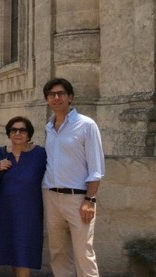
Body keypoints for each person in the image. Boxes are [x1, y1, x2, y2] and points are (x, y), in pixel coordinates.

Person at [42, 78, 105, 276]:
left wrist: (90, 199)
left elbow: (96, 167)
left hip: (78, 200)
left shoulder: (86, 125)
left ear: (71, 97)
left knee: (83, 255)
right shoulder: (49, 128)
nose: (56, 97)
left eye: (61, 93)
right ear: (47, 100)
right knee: (58, 254)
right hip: (52, 197)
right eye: (52, 94)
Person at [0, 116, 46, 277]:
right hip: (5, 212)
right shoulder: (1, 153)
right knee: (13, 255)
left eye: (22, 130)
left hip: (29, 213)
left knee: (24, 257)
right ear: (8, 133)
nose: (18, 133)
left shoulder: (40, 154)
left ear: (29, 134)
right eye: (14, 130)